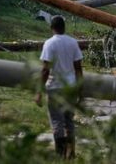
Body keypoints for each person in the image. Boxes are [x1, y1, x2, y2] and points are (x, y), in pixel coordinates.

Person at [35, 16, 84, 159]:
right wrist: (80, 91)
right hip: (70, 88)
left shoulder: (49, 44)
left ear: (52, 28)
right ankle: (71, 153)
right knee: (69, 121)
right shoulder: (73, 42)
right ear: (64, 28)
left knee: (57, 122)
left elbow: (45, 70)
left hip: (55, 88)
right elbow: (78, 69)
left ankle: (60, 155)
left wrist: (39, 91)